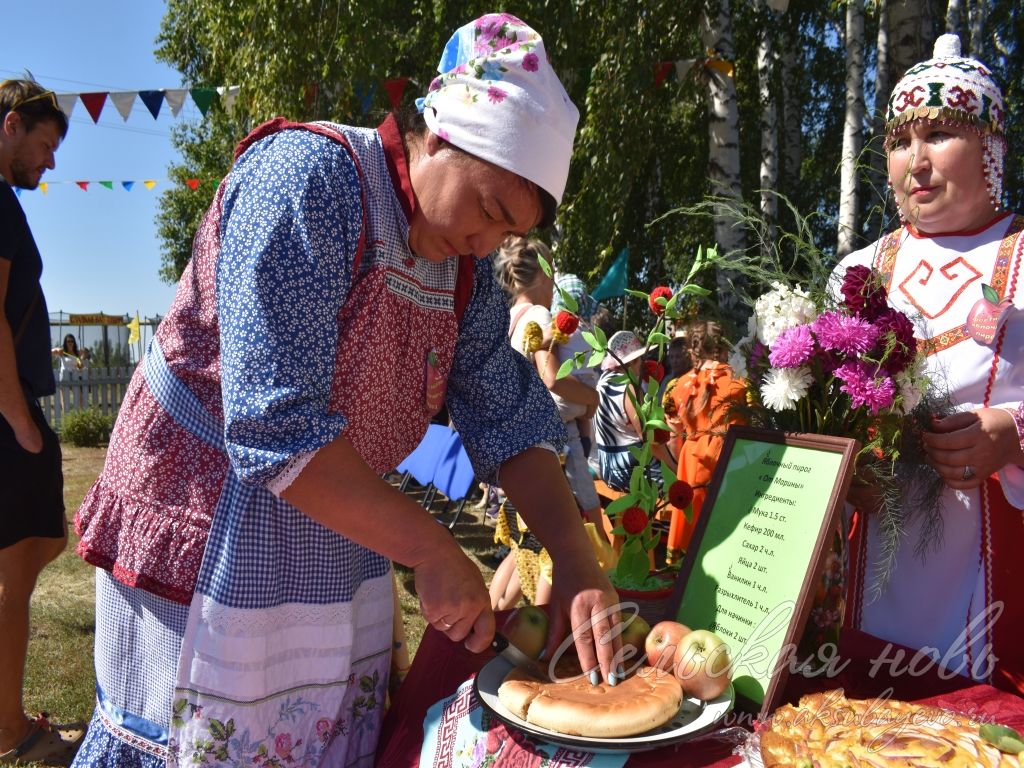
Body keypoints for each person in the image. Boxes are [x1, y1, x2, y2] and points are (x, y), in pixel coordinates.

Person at [70, 15, 622, 767]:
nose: (489, 243)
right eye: (491, 209)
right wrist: (431, 549)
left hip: (341, 509)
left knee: (313, 741)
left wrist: (575, 556)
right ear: (445, 136)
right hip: (209, 512)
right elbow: (274, 426)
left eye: (510, 231)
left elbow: (511, 421)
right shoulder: (310, 181)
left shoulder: (465, 277)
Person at [835, 34, 1024, 694]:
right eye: (898, 141)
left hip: (1001, 578)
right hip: (867, 577)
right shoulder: (858, 272)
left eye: (941, 134)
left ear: (991, 147)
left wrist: (1013, 436)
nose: (916, 161)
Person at [0, 78, 85, 764]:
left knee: (41, 547)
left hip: (11, 412)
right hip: (7, 415)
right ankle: (10, 730)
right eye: (46, 144)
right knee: (17, 571)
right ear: (10, 127)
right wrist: (18, 420)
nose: (51, 163)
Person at [489, 237, 599, 610]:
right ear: (540, 276)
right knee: (553, 542)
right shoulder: (538, 316)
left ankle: (493, 617)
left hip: (513, 438)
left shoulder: (510, 317)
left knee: (526, 540)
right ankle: (535, 625)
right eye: (552, 274)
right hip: (544, 440)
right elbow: (551, 377)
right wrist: (592, 398)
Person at [664, 319, 746, 562]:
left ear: (691, 350)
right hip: (729, 464)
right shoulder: (741, 384)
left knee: (691, 530)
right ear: (724, 348)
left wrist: (682, 465)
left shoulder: (675, 387)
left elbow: (672, 439)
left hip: (690, 465)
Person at [593, 330, 676, 493]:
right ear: (630, 362)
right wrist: (675, 469)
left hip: (607, 467)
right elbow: (651, 440)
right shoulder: (629, 389)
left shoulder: (603, 381)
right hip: (630, 471)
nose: (643, 364)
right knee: (686, 489)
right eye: (639, 359)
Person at [51, 333, 81, 412]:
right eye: (68, 341)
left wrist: (81, 366)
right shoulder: (62, 352)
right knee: (64, 399)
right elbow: (51, 351)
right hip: (64, 376)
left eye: (72, 341)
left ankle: (79, 414)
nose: (70, 343)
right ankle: (65, 416)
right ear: (65, 342)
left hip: (74, 377)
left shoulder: (76, 353)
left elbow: (80, 366)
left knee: (79, 397)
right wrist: (57, 349)